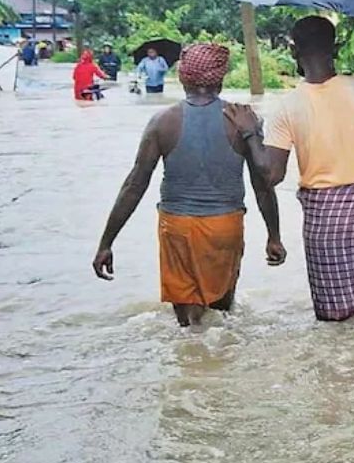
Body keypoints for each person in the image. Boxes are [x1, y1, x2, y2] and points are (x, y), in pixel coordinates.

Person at [227, 16, 354, 322]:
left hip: (326, 219)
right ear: (335, 48)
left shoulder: (287, 107)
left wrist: (249, 133)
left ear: (293, 51)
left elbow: (272, 175)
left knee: (333, 315)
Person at [92, 44, 285, 327]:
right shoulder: (241, 120)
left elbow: (135, 185)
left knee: (188, 326)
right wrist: (274, 235)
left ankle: (191, 364)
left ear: (183, 78)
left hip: (176, 226)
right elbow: (263, 185)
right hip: (225, 225)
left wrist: (106, 243)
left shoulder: (162, 122)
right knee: (221, 313)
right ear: (220, 79)